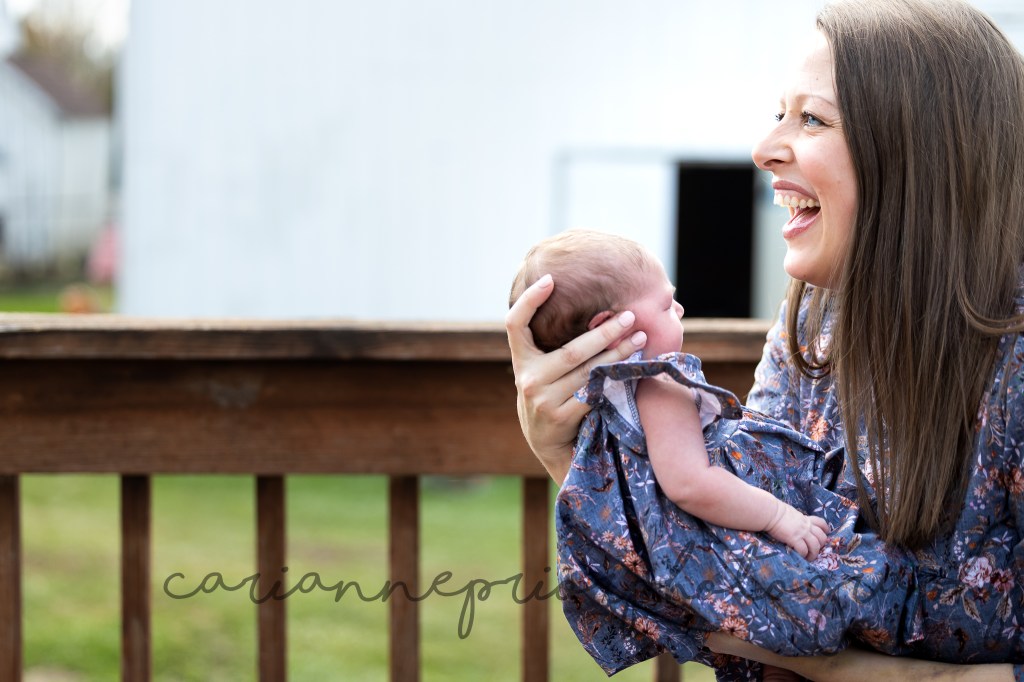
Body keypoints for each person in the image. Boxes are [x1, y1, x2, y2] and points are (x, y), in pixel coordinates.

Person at [505, 0, 1024, 680]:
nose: (763, 149)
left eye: (812, 119)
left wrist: (879, 675)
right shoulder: (812, 329)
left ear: (921, 153)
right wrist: (580, 456)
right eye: (780, 113)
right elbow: (739, 580)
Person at [510, 230, 913, 680]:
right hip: (742, 538)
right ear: (613, 327)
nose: (679, 310)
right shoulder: (659, 385)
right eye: (666, 304)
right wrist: (780, 516)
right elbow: (691, 483)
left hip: (703, 570)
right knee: (844, 585)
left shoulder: (601, 413)